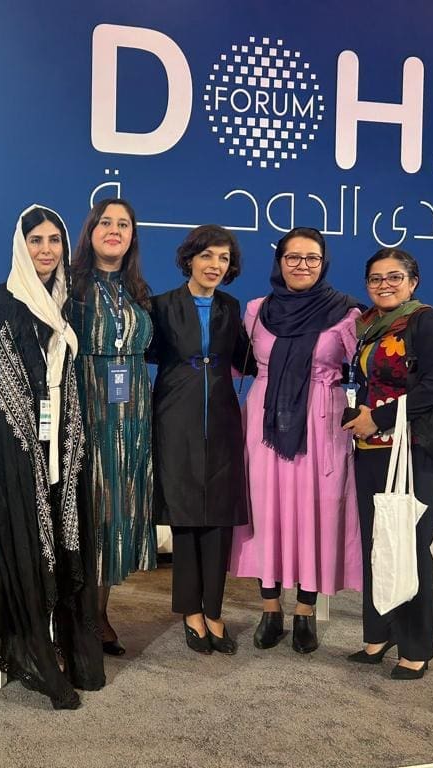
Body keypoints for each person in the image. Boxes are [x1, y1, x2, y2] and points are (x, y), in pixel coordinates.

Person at [0, 204, 105, 709]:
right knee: (32, 542)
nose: (47, 249)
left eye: (55, 240)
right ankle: (36, 653)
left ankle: (71, 649)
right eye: (36, 240)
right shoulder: (1, 301)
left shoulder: (66, 302)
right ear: (21, 245)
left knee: (68, 536)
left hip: (63, 441)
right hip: (14, 443)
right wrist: (28, 438)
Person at [229, 227, 362, 653]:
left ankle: (305, 611)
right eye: (293, 257)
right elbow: (236, 365)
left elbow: (369, 368)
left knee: (315, 514)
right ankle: (270, 608)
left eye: (311, 258)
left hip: (321, 424)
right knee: (266, 512)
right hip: (264, 424)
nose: (302, 265)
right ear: (279, 261)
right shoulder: (256, 311)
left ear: (324, 263)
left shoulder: (347, 313)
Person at [342, 248, 433, 680]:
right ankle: (379, 634)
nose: (384, 284)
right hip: (370, 450)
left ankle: (415, 647)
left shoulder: (427, 321)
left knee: (408, 546)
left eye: (394, 277)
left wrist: (379, 418)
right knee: (376, 544)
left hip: (412, 450)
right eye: (375, 278)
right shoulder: (370, 325)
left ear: (412, 282)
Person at [148, 225, 256, 655]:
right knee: (186, 516)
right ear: (190, 259)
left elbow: (249, 358)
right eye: (207, 255)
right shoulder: (161, 306)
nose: (215, 265)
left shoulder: (231, 307)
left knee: (219, 518)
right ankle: (191, 612)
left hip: (224, 420)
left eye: (224, 258)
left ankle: (214, 610)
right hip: (175, 417)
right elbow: (145, 352)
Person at [69, 197, 156, 656]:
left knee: (116, 514)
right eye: (106, 222)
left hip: (131, 419)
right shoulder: (69, 285)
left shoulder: (137, 290)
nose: (114, 230)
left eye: (124, 224)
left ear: (132, 237)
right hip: (87, 411)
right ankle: (75, 613)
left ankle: (100, 611)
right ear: (91, 231)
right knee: (87, 511)